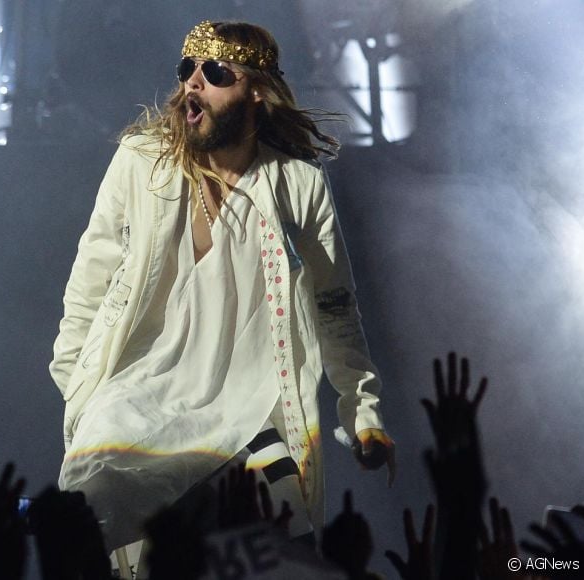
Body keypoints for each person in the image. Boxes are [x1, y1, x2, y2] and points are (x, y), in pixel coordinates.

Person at [49, 20, 396, 551]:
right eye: (187, 69)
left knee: (284, 541)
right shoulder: (141, 163)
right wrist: (79, 387)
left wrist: (362, 410)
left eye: (214, 72)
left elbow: (335, 308)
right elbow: (89, 281)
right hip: (134, 398)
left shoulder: (298, 185)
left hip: (248, 408)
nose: (193, 83)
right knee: (88, 518)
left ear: (257, 91)